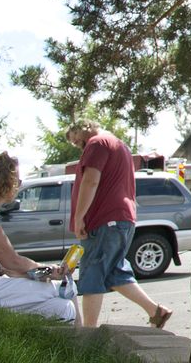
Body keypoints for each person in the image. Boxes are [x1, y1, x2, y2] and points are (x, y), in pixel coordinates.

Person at [65, 119, 172, 329]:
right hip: (121, 219)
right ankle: (155, 311)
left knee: (92, 271)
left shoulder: (96, 143)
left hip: (104, 220)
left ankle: (89, 333)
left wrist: (79, 217)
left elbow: (91, 180)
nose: (79, 146)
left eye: (77, 140)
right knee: (115, 272)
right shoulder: (119, 145)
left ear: (83, 130)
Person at [0, 151, 77, 323]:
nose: (19, 185)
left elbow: (6, 268)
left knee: (63, 308)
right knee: (64, 289)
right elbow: (11, 261)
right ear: (6, 182)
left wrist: (43, 273)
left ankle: (76, 345)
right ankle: (86, 342)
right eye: (18, 181)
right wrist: (49, 270)